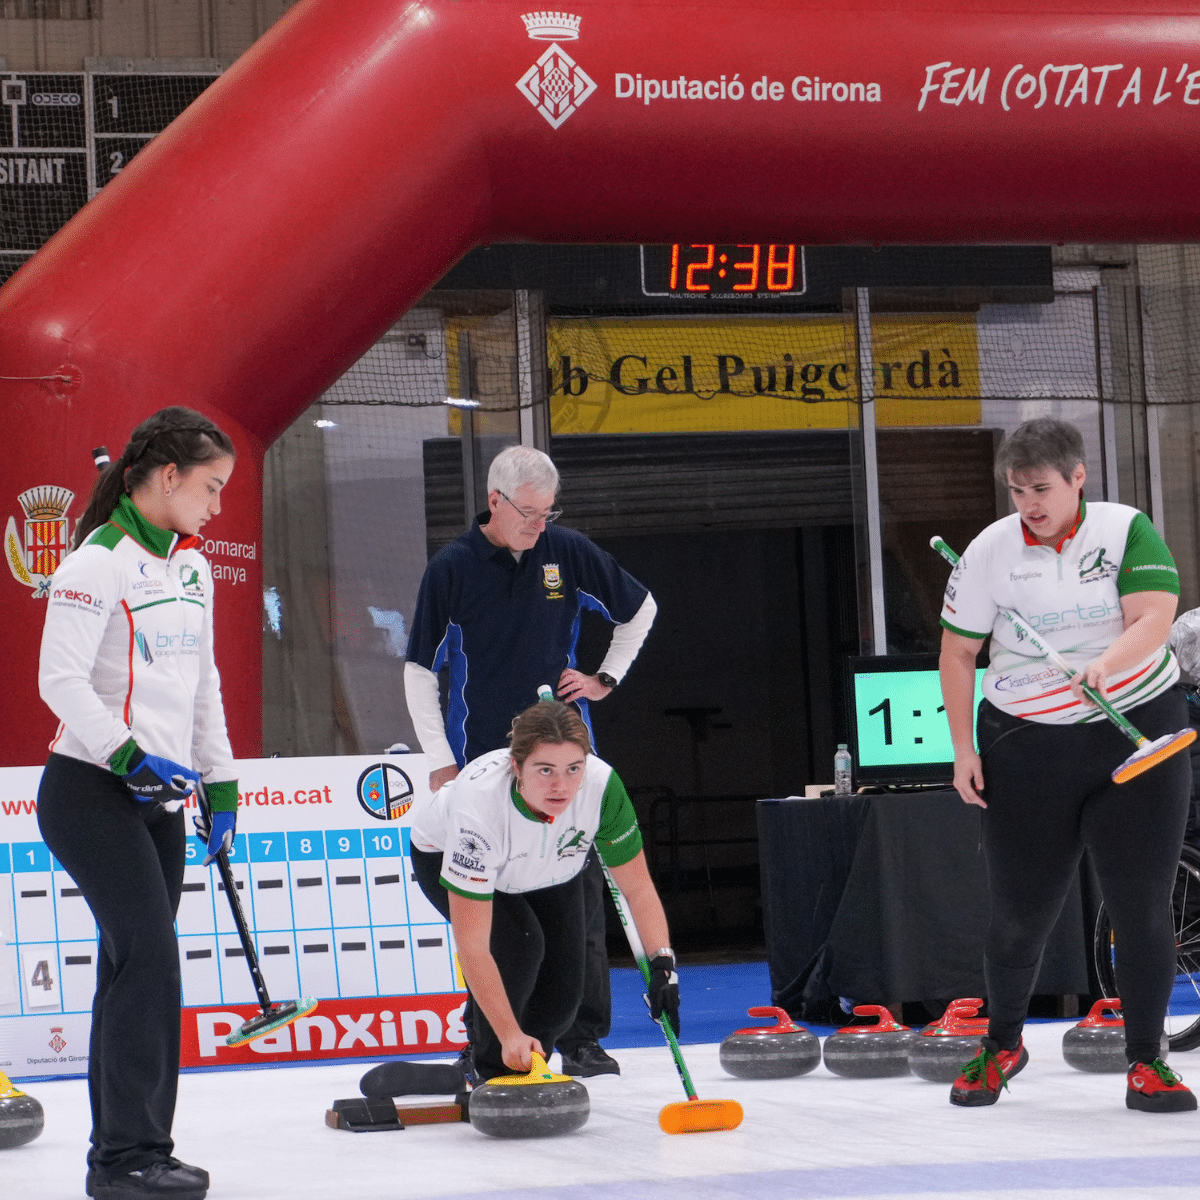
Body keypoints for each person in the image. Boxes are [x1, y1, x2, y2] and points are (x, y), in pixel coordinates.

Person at [939, 417, 1195, 1112]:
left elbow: (1153, 617)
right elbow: (958, 654)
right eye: (1017, 489)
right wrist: (963, 749)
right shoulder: (989, 551)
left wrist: (1103, 667)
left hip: (1136, 734)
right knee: (1019, 913)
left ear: (1078, 478)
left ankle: (1147, 1060)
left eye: (1041, 487)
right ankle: (1002, 1044)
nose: (1029, 502)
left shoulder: (1125, 529)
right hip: (1026, 745)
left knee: (1140, 907)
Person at [37, 407, 240, 1200]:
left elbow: (203, 687)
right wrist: (127, 755)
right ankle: (127, 1160)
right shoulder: (97, 563)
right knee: (150, 962)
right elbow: (58, 681)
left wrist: (220, 783)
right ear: (167, 479)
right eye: (211, 488)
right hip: (90, 793)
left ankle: (130, 1153)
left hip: (159, 800)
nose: (216, 506)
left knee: (132, 969)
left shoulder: (194, 568)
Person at [404, 444, 657, 1077]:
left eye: (548, 511)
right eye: (528, 512)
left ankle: (580, 1035)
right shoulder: (453, 568)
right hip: (484, 761)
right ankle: (490, 1045)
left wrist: (606, 677)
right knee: (498, 925)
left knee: (578, 904)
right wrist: (439, 758)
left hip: (565, 755)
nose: (539, 523)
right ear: (494, 501)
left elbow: (640, 609)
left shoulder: (564, 551)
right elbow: (418, 669)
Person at [407, 700, 679, 1080]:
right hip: (448, 854)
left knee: (566, 989)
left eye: (573, 769)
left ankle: (531, 1069)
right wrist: (507, 1033)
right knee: (518, 945)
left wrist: (663, 964)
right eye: (545, 770)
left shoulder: (602, 788)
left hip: (551, 863)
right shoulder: (479, 808)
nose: (560, 785)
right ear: (517, 767)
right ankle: (489, 1071)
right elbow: (473, 945)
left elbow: (638, 887)